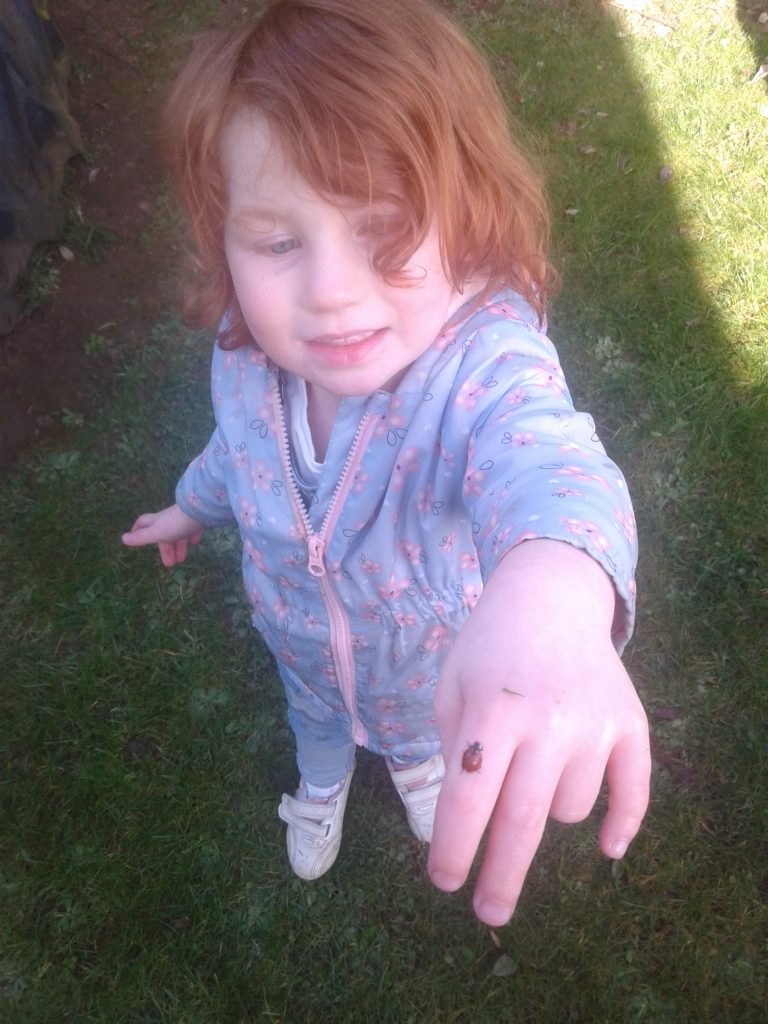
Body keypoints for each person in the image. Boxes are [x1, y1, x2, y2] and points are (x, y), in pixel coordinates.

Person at [121, 0, 650, 927]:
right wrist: (190, 507)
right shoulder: (246, 354)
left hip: (425, 670)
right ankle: (319, 784)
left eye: (386, 227)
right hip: (298, 646)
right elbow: (238, 456)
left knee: (416, 734)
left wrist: (557, 596)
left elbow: (547, 460)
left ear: (467, 212)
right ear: (224, 239)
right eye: (279, 242)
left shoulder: (480, 363)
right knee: (317, 724)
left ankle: (419, 768)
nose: (330, 291)